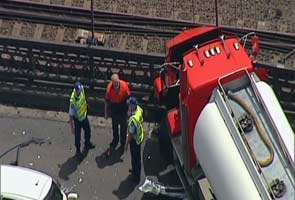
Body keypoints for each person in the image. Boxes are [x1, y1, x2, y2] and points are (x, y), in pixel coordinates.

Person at [105, 74, 131, 156]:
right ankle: (115, 140)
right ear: (112, 82)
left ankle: (122, 144)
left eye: (117, 83)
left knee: (123, 128)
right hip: (114, 108)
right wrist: (106, 113)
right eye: (114, 83)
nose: (116, 85)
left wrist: (129, 111)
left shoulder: (124, 86)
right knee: (114, 127)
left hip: (122, 108)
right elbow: (106, 101)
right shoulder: (109, 89)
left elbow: (128, 98)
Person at [69, 81, 95, 159]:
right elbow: (70, 115)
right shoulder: (73, 101)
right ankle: (78, 152)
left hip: (84, 115)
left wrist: (86, 105)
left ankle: (87, 143)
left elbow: (83, 99)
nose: (80, 92)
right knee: (78, 136)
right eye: (79, 91)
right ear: (76, 90)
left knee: (88, 130)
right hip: (77, 120)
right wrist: (72, 127)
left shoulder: (82, 89)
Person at [125, 97, 144, 183]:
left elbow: (131, 134)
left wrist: (126, 144)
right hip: (139, 137)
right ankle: (136, 173)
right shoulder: (139, 109)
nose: (128, 106)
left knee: (135, 159)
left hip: (135, 140)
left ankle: (136, 177)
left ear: (133, 106)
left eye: (129, 105)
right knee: (138, 159)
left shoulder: (133, 120)